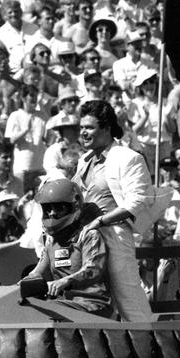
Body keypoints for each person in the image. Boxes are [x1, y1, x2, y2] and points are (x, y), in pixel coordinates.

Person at [73, 100, 154, 322]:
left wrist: (101, 221)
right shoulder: (84, 160)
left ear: (107, 128)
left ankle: (150, 346)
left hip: (114, 236)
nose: (83, 132)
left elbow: (138, 201)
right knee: (89, 301)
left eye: (89, 127)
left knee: (130, 301)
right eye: (82, 127)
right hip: (84, 240)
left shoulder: (128, 157)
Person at [22, 177, 112, 317]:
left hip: (92, 304)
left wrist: (65, 281)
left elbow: (93, 269)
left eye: (59, 207)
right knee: (27, 306)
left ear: (74, 206)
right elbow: (38, 271)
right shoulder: (51, 240)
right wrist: (18, 286)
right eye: (48, 208)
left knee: (48, 309)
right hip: (62, 302)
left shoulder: (89, 235)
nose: (52, 213)